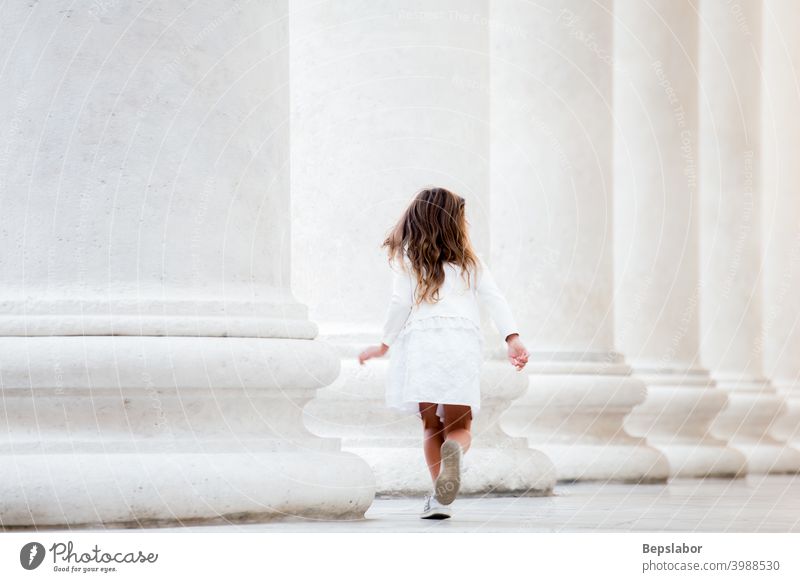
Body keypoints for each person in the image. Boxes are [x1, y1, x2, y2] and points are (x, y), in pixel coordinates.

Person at [358, 186, 529, 520]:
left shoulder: (409, 260)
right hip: (461, 344)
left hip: (421, 344)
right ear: (455, 224)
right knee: (459, 425)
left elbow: (400, 304)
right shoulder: (470, 262)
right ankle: (455, 453)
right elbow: (495, 298)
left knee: (430, 427)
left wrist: (384, 344)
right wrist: (512, 337)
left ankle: (439, 497)